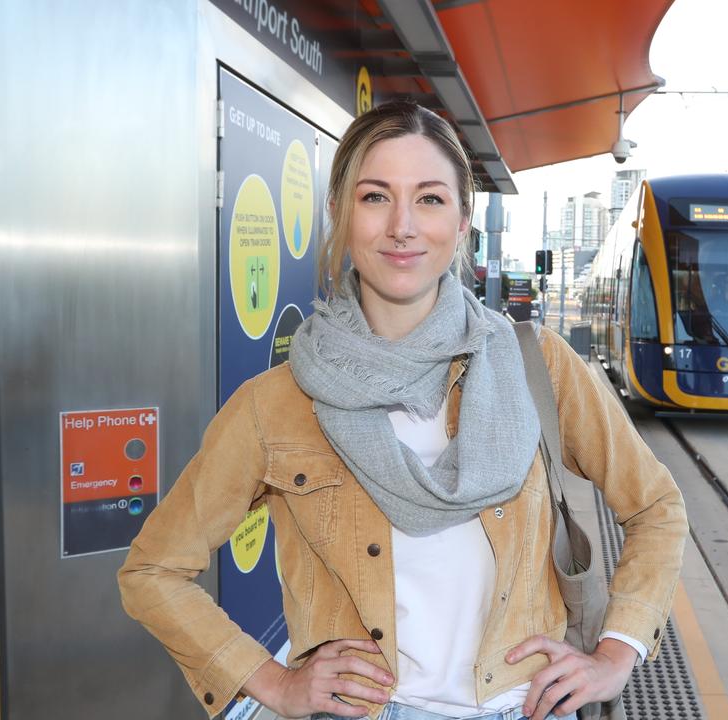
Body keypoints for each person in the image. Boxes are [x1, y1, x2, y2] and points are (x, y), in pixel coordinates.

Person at [118, 101, 688, 720]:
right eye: (374, 197)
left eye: (431, 199)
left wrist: (616, 652)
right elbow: (154, 570)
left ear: (464, 219)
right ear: (338, 212)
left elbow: (656, 506)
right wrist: (273, 683)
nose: (402, 226)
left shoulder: (537, 365)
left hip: (522, 705)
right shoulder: (276, 404)